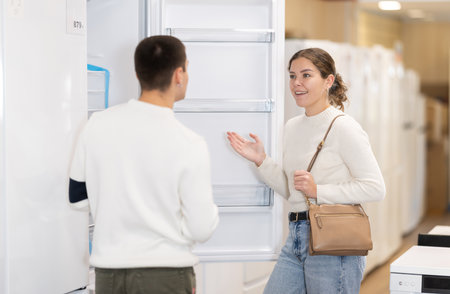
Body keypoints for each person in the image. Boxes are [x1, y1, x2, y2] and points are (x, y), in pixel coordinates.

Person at [227, 47, 385, 294]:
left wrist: (317, 190)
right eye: (292, 76)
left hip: (333, 241)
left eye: (306, 75)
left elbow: (375, 187)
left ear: (328, 81)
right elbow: (294, 191)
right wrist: (261, 161)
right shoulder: (292, 127)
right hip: (297, 236)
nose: (297, 83)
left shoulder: (344, 127)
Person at [69, 35, 219, 294]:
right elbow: (201, 228)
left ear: (138, 74)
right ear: (179, 74)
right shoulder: (189, 142)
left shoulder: (97, 125)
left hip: (109, 275)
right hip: (166, 275)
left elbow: (77, 198)